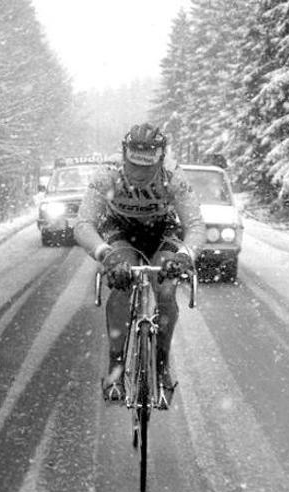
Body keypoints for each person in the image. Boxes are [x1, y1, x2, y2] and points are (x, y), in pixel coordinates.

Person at [74, 123, 205, 409]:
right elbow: (83, 224)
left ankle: (162, 362)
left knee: (166, 290)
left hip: (162, 230)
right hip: (121, 230)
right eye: (134, 165)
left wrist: (184, 255)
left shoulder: (173, 175)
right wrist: (105, 254)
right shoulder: (108, 174)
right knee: (121, 282)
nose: (141, 174)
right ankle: (116, 366)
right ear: (124, 155)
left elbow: (195, 224)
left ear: (160, 158)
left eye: (148, 167)